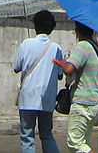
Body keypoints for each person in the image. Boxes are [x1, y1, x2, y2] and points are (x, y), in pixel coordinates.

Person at [14, 10, 65, 153]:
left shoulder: (26, 44)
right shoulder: (56, 48)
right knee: (46, 134)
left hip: (28, 96)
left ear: (35, 26)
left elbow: (16, 67)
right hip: (47, 97)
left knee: (27, 134)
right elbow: (60, 75)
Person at [55, 22, 98, 153]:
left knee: (75, 143)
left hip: (83, 101)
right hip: (94, 100)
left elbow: (69, 69)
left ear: (77, 31)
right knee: (84, 142)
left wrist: (63, 64)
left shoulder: (83, 46)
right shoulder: (95, 48)